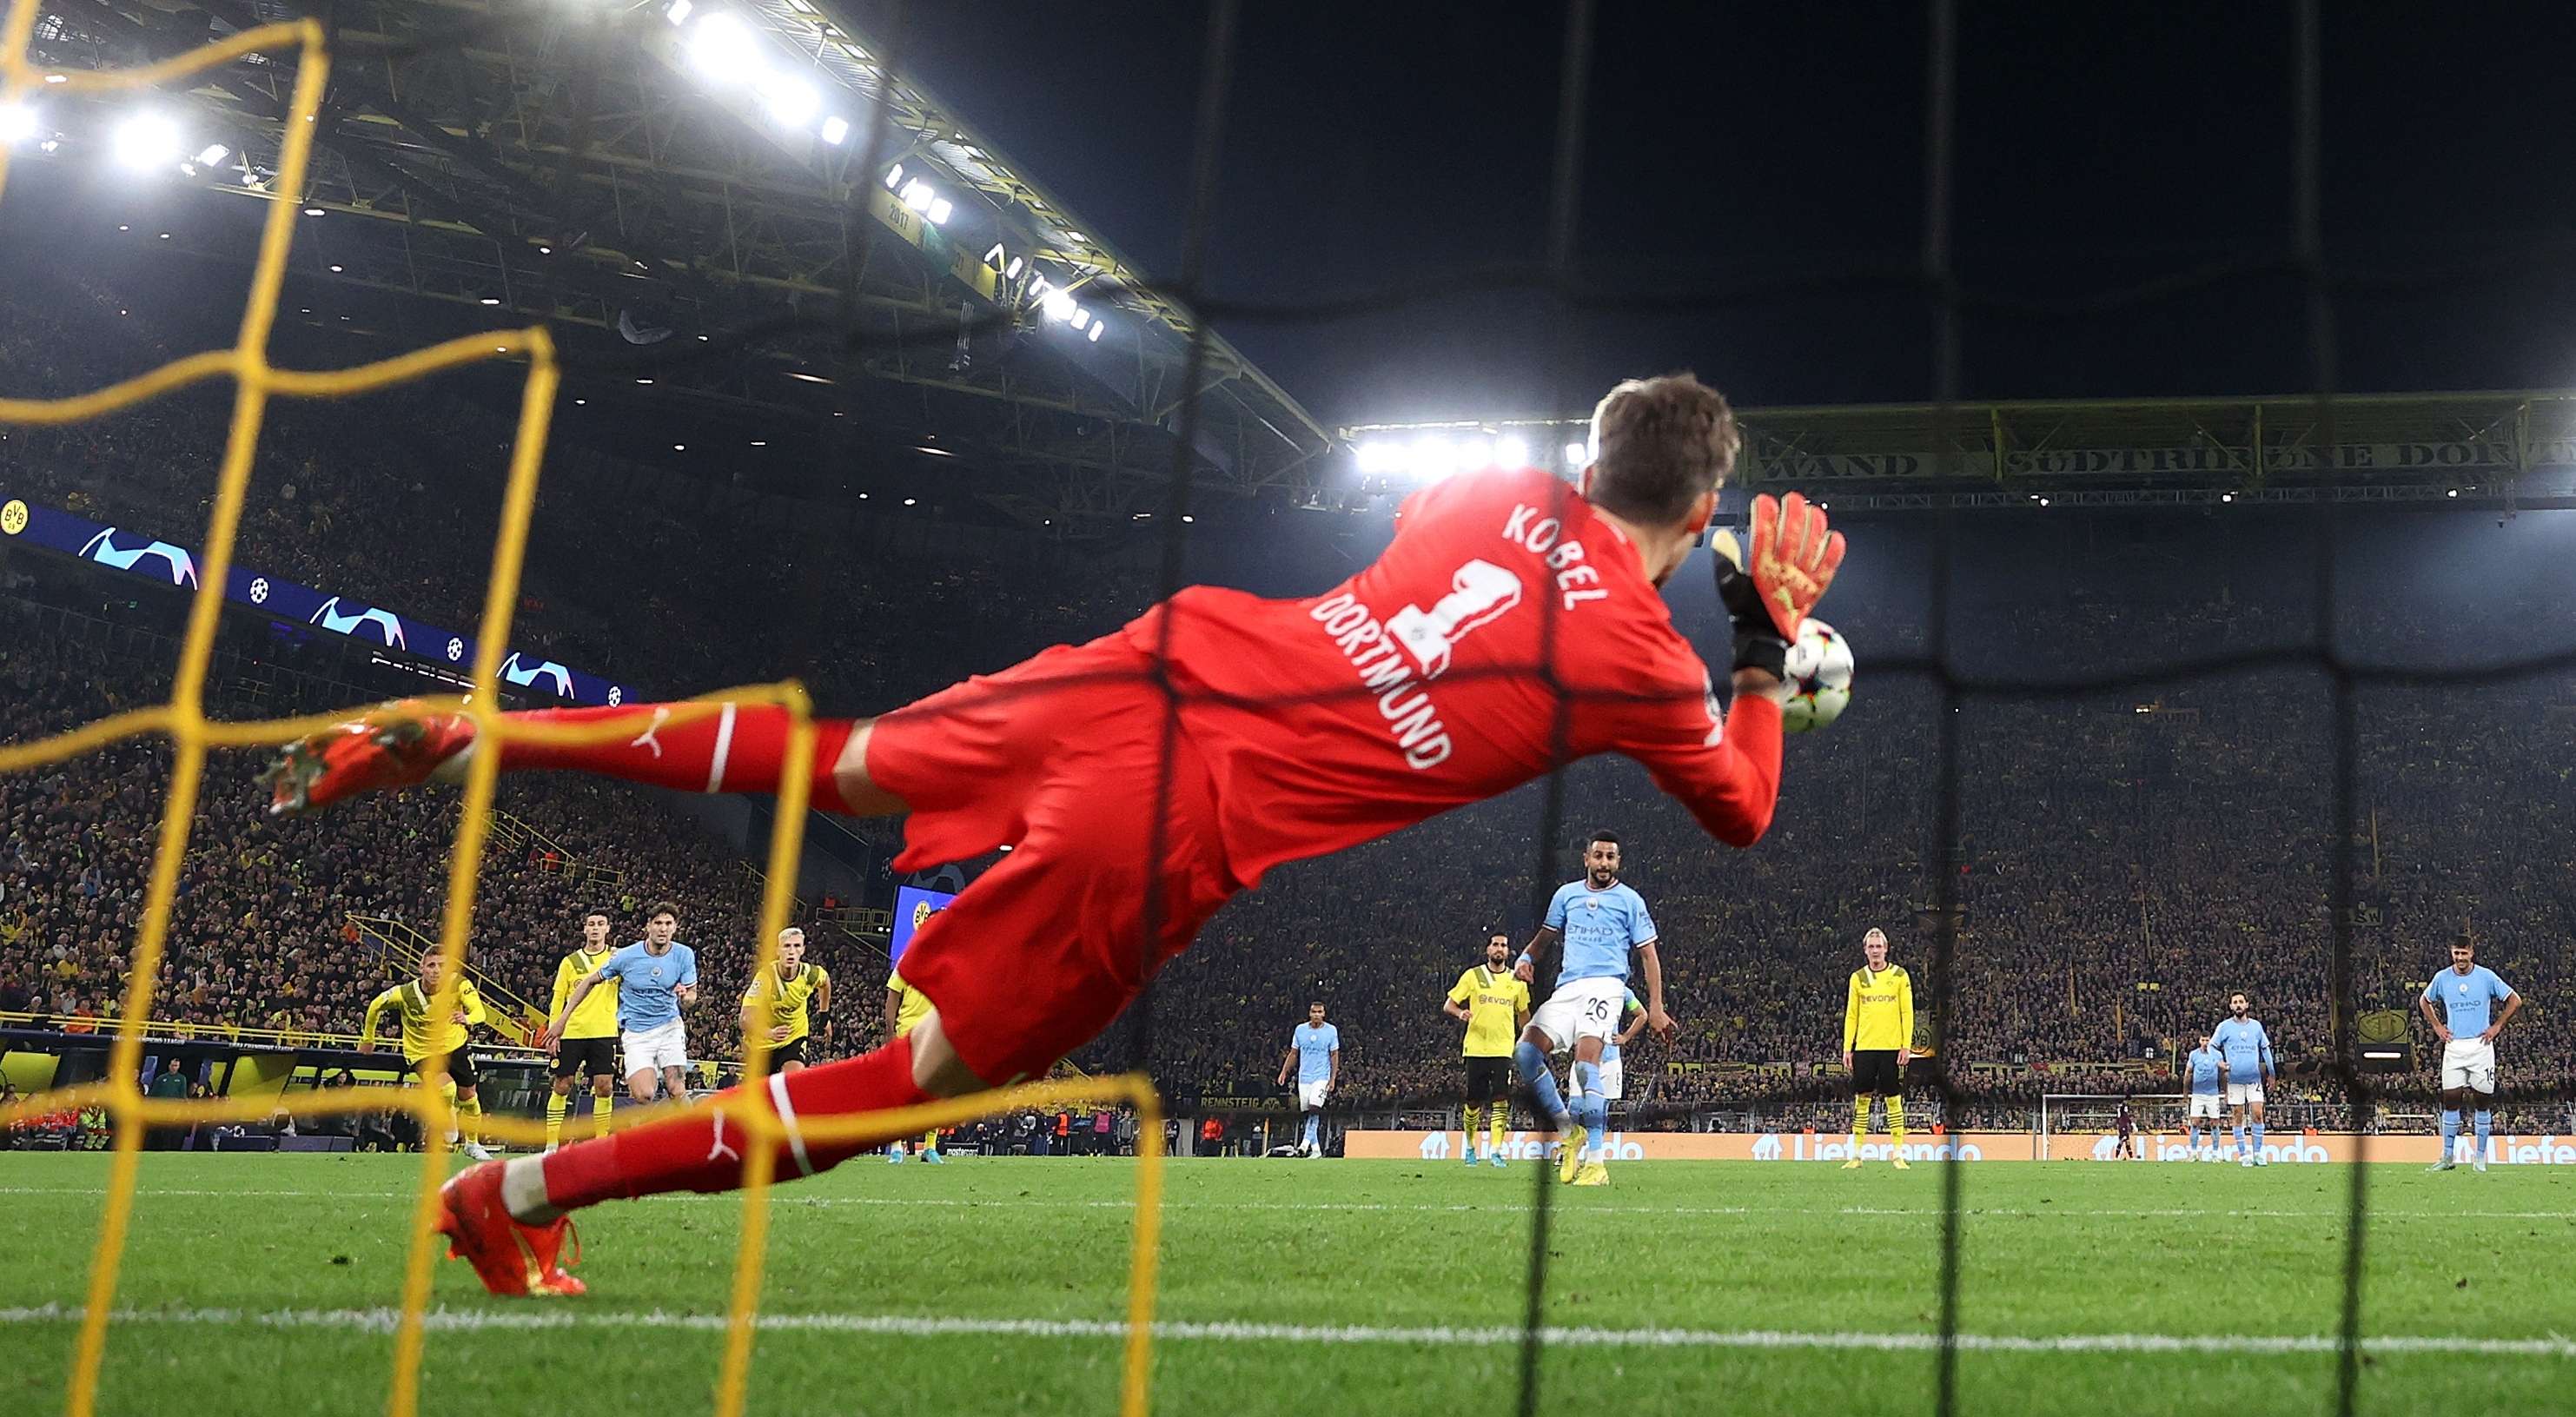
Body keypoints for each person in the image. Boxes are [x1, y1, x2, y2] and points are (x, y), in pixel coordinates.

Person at [260, 372, 1839, 1297]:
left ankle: (481, 729)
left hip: (1168, 661)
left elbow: (1507, 566)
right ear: (1702, 516)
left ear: (1580, 455)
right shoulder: (1645, 663)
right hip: (1182, 811)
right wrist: (1758, 648)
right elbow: (1746, 807)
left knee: (837, 757)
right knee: (907, 1087)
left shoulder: (1485, 479)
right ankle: (519, 1192)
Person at [1512, 830, 1662, 1188]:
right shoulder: (1566, 895)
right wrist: (1526, 957)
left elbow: (1648, 955)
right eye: (1599, 856)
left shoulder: (1630, 901)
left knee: (1585, 1064)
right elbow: (1545, 938)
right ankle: (1569, 1131)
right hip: (1568, 988)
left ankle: (1596, 1164)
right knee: (1525, 1053)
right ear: (1586, 858)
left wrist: (1655, 1007)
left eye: (1611, 857)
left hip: (1607, 986)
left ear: (1618, 862)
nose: (1604, 863)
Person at [551, 904, 699, 1109]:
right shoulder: (626, 956)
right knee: (644, 1094)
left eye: (668, 923)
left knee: (677, 1089)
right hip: (637, 1033)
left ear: (675, 927)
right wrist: (561, 1021)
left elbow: (691, 996)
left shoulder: (684, 955)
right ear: (648, 926)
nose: (663, 928)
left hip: (669, 1027)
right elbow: (589, 981)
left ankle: (700, 1136)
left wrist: (685, 998)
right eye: (658, 923)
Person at [361, 950, 493, 1162]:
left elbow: (480, 1012)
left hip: (455, 1047)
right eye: (431, 965)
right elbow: (375, 1006)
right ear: (421, 968)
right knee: (447, 1089)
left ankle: (472, 1144)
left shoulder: (460, 984)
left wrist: (468, 1018)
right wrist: (368, 1039)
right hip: (422, 1052)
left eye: (442, 965)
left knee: (470, 1098)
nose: (436, 970)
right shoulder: (404, 993)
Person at [2420, 934, 2521, 1173]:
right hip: (2454, 1047)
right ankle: (2447, 1157)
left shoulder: (2486, 977)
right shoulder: (2442, 978)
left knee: (2482, 1103)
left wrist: (2497, 1026)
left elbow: (2515, 1000)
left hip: (2480, 1048)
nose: (2460, 958)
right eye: (2456, 953)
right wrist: (2437, 1026)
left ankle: (2479, 1158)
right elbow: (2424, 1001)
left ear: (2472, 953)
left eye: (2464, 953)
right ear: (2451, 953)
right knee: (2451, 1102)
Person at [1442, 933, 1527, 1166]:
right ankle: (1470, 1147)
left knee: (1501, 1100)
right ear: (1488, 949)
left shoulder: (1516, 980)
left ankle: (1496, 1151)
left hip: (1502, 1049)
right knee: (1473, 1102)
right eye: (1496, 945)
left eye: (1504, 945)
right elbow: (1449, 1004)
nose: (1499, 949)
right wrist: (1461, 1013)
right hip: (1476, 1048)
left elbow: (1523, 1014)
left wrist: (1529, 1039)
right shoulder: (1473, 976)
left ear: (1508, 952)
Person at [541, 910, 620, 1149]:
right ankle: (551, 1144)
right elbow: (557, 999)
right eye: (591, 924)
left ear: (608, 929)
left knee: (604, 1086)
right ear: (585, 929)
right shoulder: (570, 962)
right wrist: (555, 1031)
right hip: (572, 1032)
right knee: (562, 1084)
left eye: (600, 924)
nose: (595, 928)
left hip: (604, 1031)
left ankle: (601, 1143)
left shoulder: (617, 960)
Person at [1839, 927, 1914, 1170]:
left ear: (1886, 948)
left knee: (1894, 1099)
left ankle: (1898, 1155)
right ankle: (1856, 1155)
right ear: (1865, 951)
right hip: (1864, 1048)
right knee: (1862, 1100)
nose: (1875, 951)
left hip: (1892, 1048)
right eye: (1871, 947)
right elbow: (1852, 1015)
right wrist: (1847, 1048)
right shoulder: (1857, 978)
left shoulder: (1900, 976)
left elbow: (1907, 1012)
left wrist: (1906, 1045)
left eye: (1878, 946)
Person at [740, 926, 832, 1073]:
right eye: (786, 946)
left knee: (794, 1078)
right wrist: (769, 1033)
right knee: (763, 1091)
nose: (791, 951)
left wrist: (824, 1016)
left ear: (803, 950)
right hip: (763, 1043)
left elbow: (825, 983)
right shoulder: (766, 978)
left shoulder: (811, 974)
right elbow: (745, 1019)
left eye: (796, 946)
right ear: (778, 950)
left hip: (794, 1037)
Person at [2209, 992, 2276, 1166]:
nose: (2238, 1005)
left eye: (2241, 1002)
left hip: (2254, 1079)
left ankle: (2258, 1154)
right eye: (2235, 1003)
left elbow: (2266, 1049)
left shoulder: (2256, 1026)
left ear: (2247, 1005)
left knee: (2257, 1114)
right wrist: (2219, 1062)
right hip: (2235, 1080)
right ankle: (2243, 1154)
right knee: (2238, 1115)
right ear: (2231, 1007)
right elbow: (2211, 1047)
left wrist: (2272, 1073)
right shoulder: (2224, 1027)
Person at [883, 961, 939, 1162]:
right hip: (907, 1033)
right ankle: (897, 1147)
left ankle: (930, 1148)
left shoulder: (946, 955)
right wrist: (889, 1032)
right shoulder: (909, 960)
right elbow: (893, 994)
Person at [1277, 1002, 1340, 1159]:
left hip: (1321, 1077)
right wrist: (1284, 1071)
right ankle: (1317, 1150)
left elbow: (1334, 1056)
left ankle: (1304, 1145)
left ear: (1324, 1014)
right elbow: (1293, 1053)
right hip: (1304, 1078)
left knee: (1314, 1108)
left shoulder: (1331, 1031)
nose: (1317, 1015)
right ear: (1309, 1013)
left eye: (1320, 1012)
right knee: (1307, 1113)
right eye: (1314, 1012)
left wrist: (1332, 1079)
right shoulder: (1300, 1030)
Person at [2183, 1035, 2224, 1162]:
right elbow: (2188, 1073)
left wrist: (2226, 1091)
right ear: (2199, 1041)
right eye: (2203, 1040)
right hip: (2197, 1094)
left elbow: (2223, 1074)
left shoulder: (2217, 1055)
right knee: (2194, 1123)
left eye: (2207, 1040)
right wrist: (2185, 1092)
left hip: (2213, 1094)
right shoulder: (2194, 1055)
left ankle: (2215, 1154)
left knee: (2214, 1124)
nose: (2205, 1043)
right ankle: (2194, 1153)